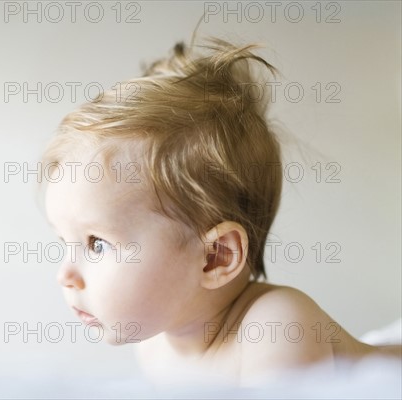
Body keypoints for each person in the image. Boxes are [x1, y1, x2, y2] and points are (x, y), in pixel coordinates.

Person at [39, 34, 401, 386]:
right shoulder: (153, 347)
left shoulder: (275, 326)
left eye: (96, 244)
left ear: (216, 256)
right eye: (64, 241)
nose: (65, 275)